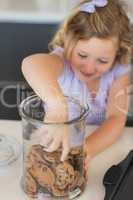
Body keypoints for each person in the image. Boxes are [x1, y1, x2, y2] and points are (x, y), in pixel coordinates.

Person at [21, 0, 133, 178]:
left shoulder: (119, 70)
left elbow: (116, 119)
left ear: (118, 53)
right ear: (68, 42)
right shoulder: (61, 62)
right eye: (82, 55)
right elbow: (30, 64)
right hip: (53, 143)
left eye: (102, 61)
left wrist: (85, 149)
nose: (89, 67)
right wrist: (58, 106)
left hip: (96, 142)